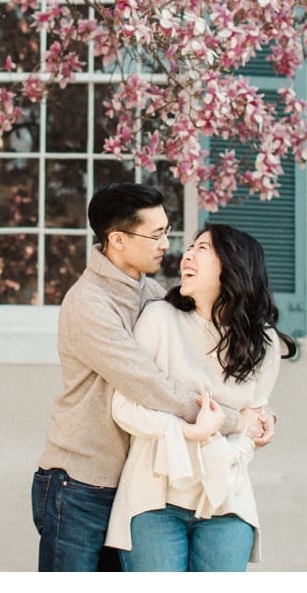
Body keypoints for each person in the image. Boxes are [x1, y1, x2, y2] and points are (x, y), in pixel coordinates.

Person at [32, 183, 274, 572]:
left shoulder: (153, 294)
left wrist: (261, 415)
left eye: (167, 230)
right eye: (156, 233)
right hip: (78, 483)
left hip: (131, 480)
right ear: (118, 240)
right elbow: (150, 385)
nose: (167, 243)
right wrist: (234, 420)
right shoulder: (89, 304)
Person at [105, 223, 292, 572]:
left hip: (226, 504)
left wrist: (244, 441)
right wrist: (184, 431)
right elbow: (124, 407)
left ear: (233, 265)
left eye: (202, 248)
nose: (186, 255)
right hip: (154, 500)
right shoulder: (160, 319)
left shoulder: (264, 343)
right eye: (188, 247)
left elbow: (251, 425)